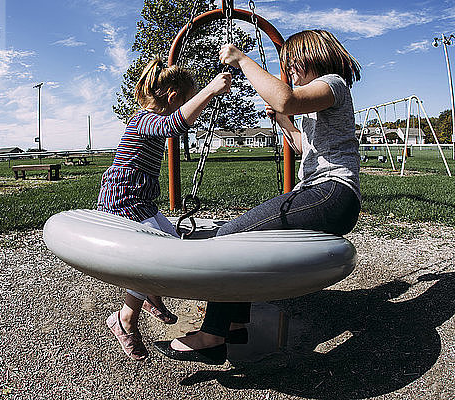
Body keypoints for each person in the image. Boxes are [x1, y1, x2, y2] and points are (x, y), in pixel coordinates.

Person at [154, 29, 362, 365]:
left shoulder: (334, 83)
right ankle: (234, 323)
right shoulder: (318, 100)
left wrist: (240, 58)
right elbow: (302, 146)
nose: (289, 70)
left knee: (227, 237)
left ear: (315, 55)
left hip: (332, 191)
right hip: (324, 192)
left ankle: (212, 336)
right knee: (245, 241)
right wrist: (283, 121)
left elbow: (286, 99)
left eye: (293, 63)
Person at [98, 58, 232, 360]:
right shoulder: (144, 119)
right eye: (183, 102)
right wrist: (210, 90)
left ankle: (151, 297)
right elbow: (176, 124)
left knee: (172, 245)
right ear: (172, 98)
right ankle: (124, 319)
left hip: (139, 200)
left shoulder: (148, 120)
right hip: (123, 200)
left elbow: (175, 122)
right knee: (159, 260)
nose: (186, 110)